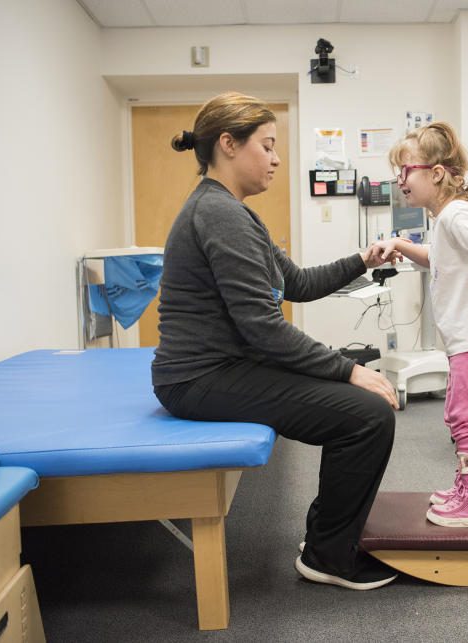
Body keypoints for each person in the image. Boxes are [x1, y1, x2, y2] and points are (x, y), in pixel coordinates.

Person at [152, 92, 400, 590]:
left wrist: (362, 260)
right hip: (200, 379)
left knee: (360, 409)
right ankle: (329, 557)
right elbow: (263, 327)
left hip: (220, 368)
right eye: (266, 146)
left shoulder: (234, 212)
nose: (276, 158)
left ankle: (327, 542)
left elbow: (298, 284)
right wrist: (349, 368)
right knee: (366, 417)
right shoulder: (218, 213)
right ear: (228, 144)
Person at [367, 122, 468, 527]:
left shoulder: (455, 214)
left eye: (406, 171)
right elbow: (438, 258)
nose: (399, 181)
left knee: (461, 417)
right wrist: (400, 244)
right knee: (462, 415)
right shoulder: (446, 219)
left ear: (435, 173)